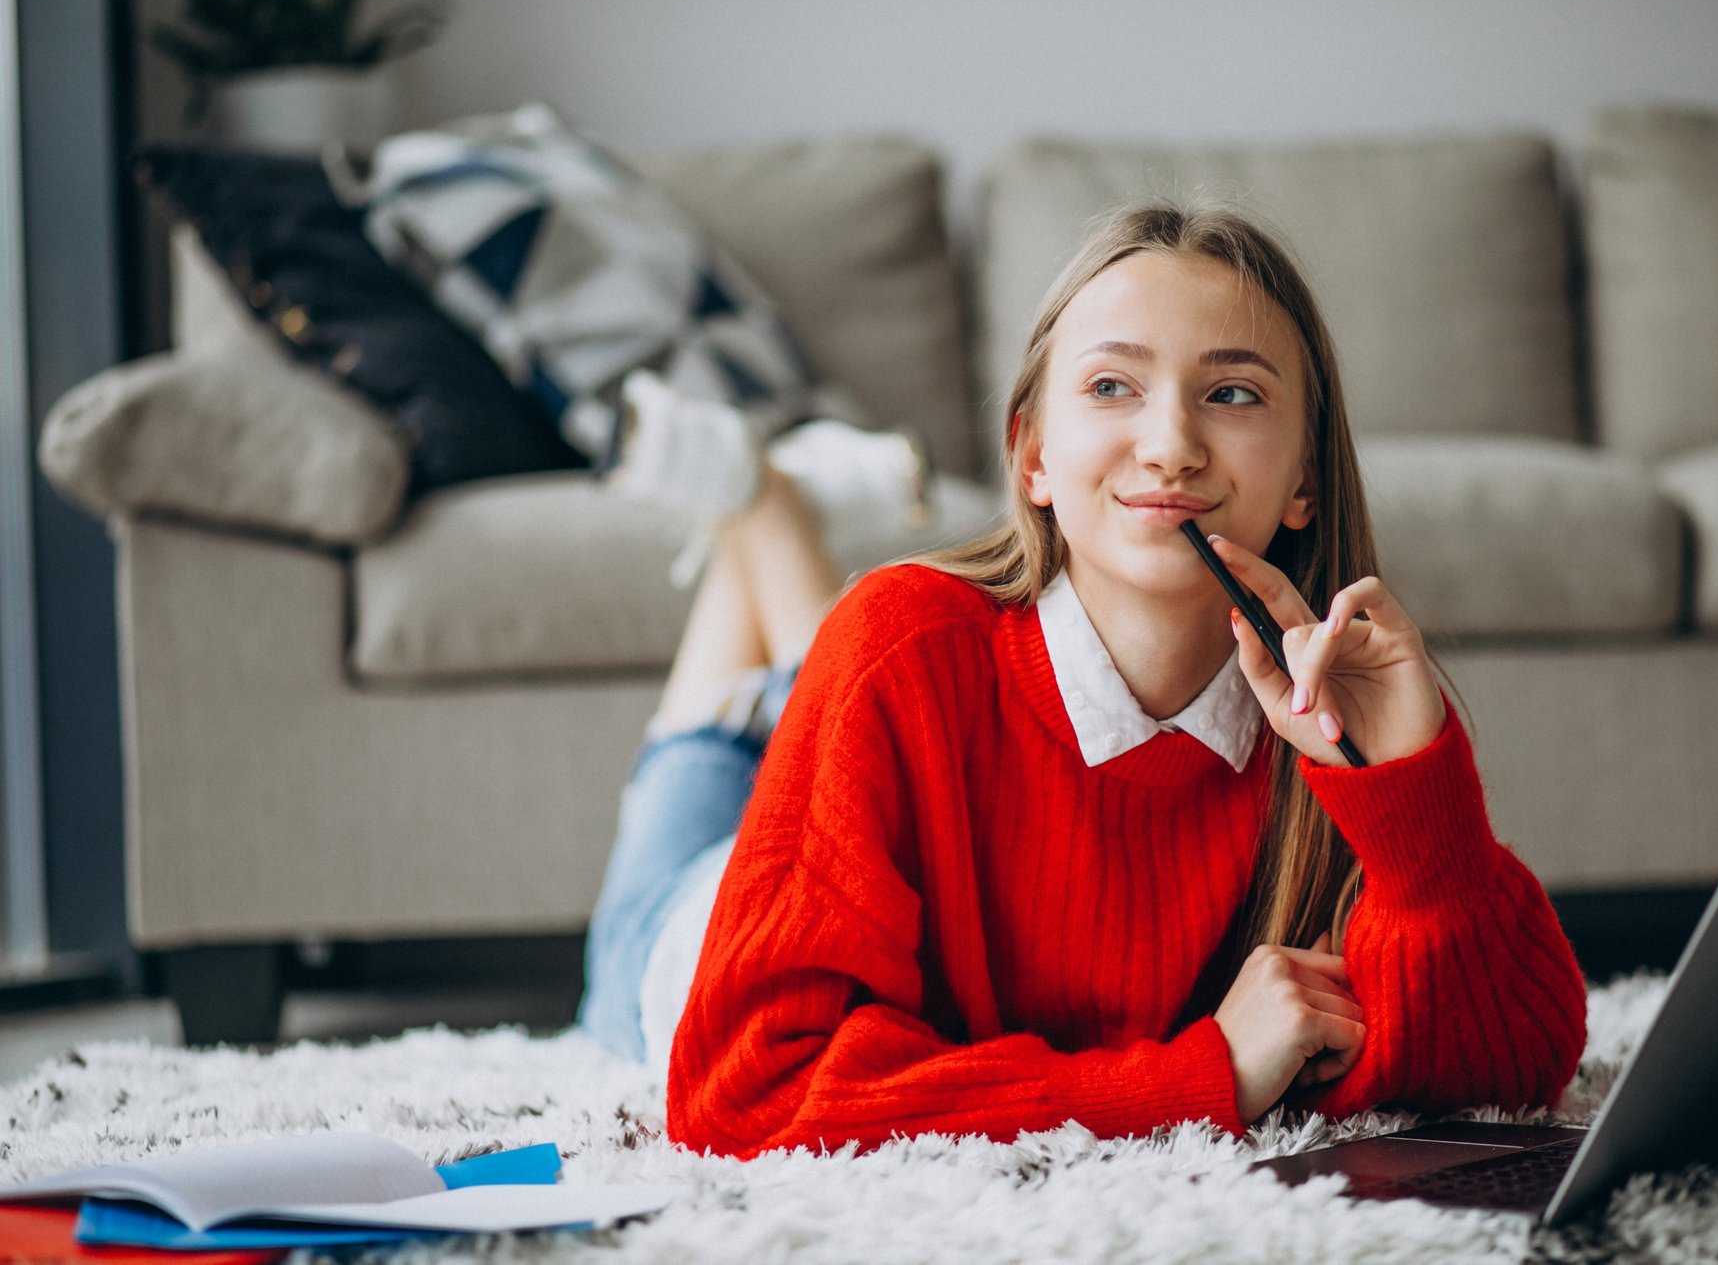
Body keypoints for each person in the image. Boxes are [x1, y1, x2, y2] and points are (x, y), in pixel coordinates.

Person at [579, 198, 1589, 1162]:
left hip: (864, 794)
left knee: (821, 677)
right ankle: (760, 502)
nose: (1171, 444)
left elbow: (1513, 1073)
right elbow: (748, 1093)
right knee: (732, 732)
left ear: (1307, 477)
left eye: (1231, 393)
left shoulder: (1335, 709)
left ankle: (759, 508)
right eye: (1113, 387)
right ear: (1031, 457)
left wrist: (1416, 798)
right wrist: (1201, 1076)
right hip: (690, 930)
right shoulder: (898, 642)